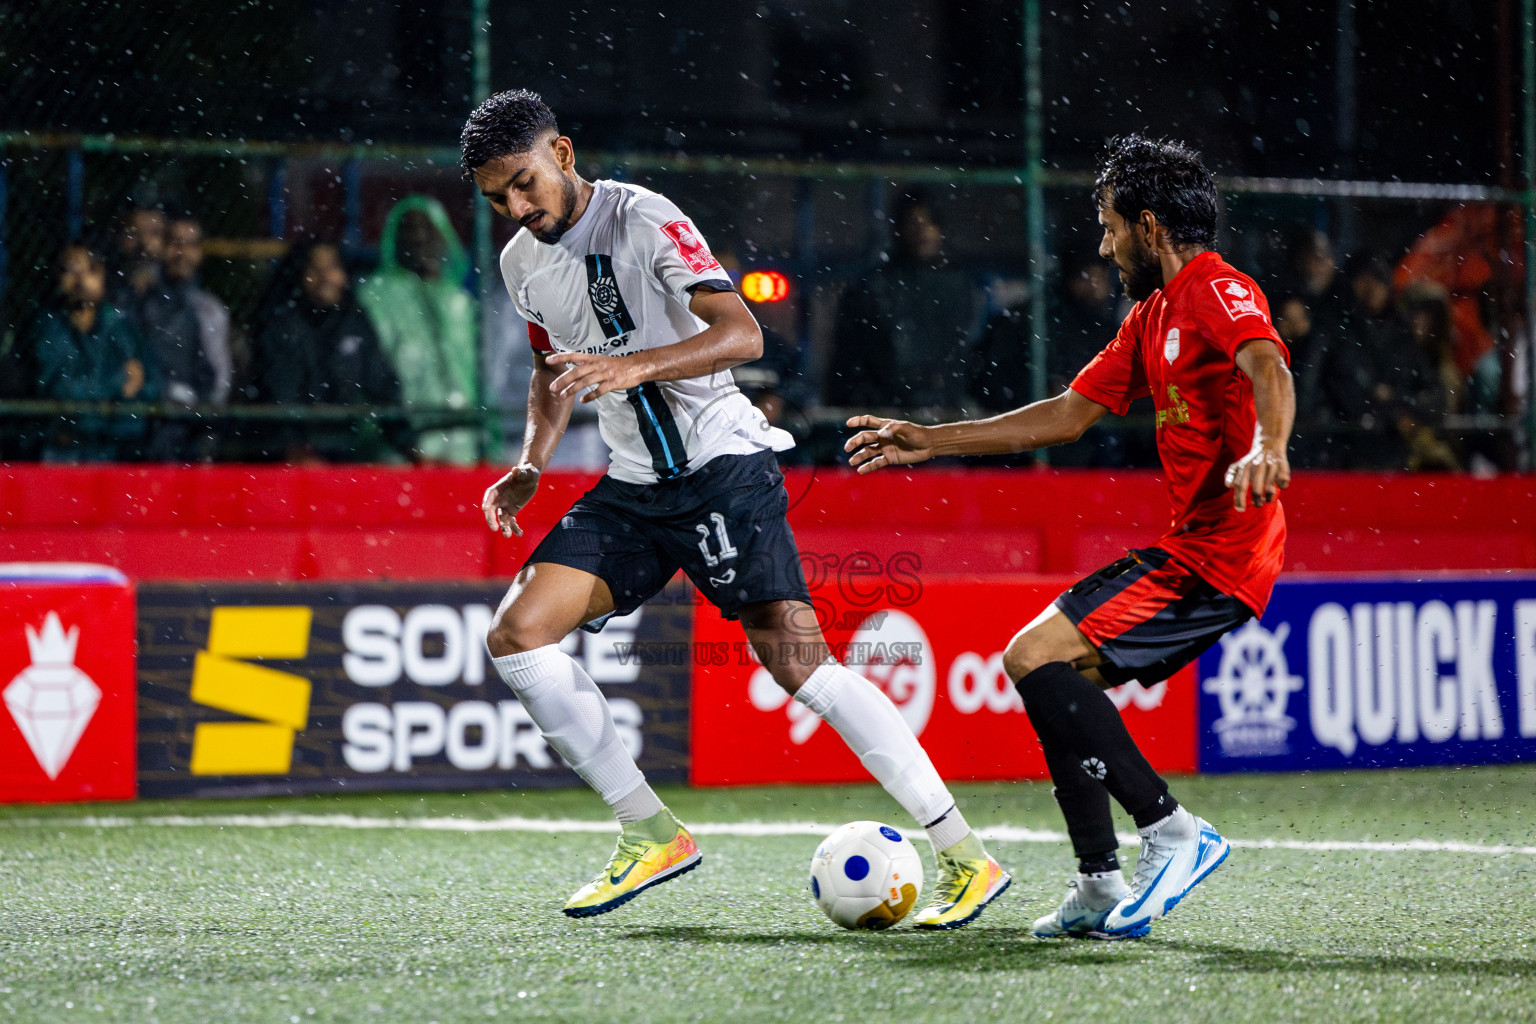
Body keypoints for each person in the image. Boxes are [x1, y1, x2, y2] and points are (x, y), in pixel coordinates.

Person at [462, 89, 1008, 926]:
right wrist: (532, 461)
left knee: (799, 664)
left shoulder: (644, 218)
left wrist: (634, 366)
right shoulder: (519, 263)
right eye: (497, 196)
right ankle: (651, 833)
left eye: (524, 183)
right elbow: (548, 371)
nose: (516, 207)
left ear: (562, 154)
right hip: (635, 487)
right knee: (517, 634)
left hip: (722, 466)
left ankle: (965, 854)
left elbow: (742, 333)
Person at [845, 135, 1295, 940]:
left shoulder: (1214, 288)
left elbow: (1269, 366)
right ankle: (1097, 880)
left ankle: (1172, 831)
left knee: (1033, 655)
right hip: (1193, 547)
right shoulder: (1151, 315)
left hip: (1224, 555)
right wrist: (930, 440)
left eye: (1110, 225)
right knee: (1053, 674)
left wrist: (1268, 445)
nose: (1103, 244)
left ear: (1149, 226)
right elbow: (1067, 415)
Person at [827, 190, 982, 412]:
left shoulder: (957, 285)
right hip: (889, 407)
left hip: (935, 408)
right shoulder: (874, 286)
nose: (922, 231)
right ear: (899, 229)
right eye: (913, 223)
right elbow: (851, 358)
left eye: (929, 222)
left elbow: (960, 352)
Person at [253, 238, 404, 462]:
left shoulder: (355, 321)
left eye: (332, 267)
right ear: (300, 275)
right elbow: (279, 399)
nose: (325, 277)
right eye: (315, 268)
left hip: (345, 448)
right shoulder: (280, 326)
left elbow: (383, 386)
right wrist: (295, 451)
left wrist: (410, 447)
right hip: (288, 457)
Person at [356, 196, 480, 465]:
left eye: (428, 230)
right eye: (410, 230)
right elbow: (372, 370)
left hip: (462, 436)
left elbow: (476, 371)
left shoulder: (457, 300)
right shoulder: (377, 294)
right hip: (401, 435)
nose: (420, 239)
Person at [29, 241, 159, 460]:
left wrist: (108, 408)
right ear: (58, 277)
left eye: (91, 269)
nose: (81, 279)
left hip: (114, 449)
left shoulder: (122, 326)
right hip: (62, 450)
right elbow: (59, 391)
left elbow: (150, 388)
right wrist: (118, 384)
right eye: (71, 269)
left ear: (104, 275)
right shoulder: (48, 327)